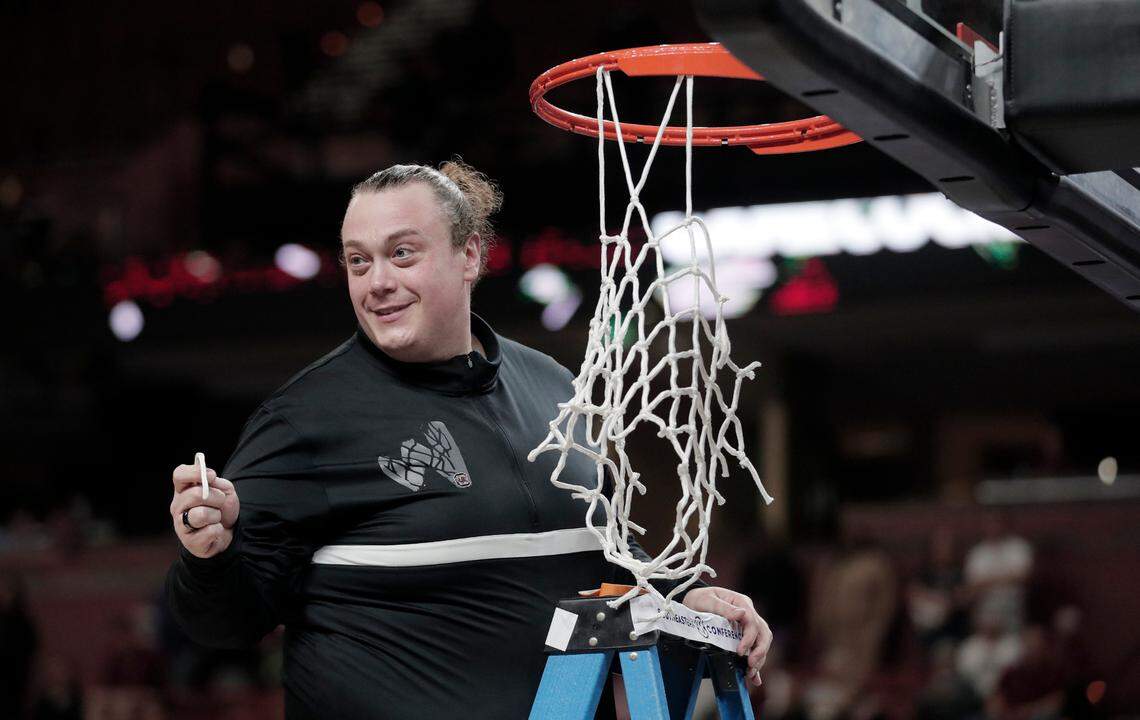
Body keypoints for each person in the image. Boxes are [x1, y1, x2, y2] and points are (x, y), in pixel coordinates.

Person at [165, 160, 772, 719]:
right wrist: (208, 555)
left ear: (470, 255)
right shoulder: (305, 417)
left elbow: (600, 552)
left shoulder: (555, 386)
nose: (376, 281)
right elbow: (223, 623)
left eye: (402, 254)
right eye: (358, 261)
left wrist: (686, 593)